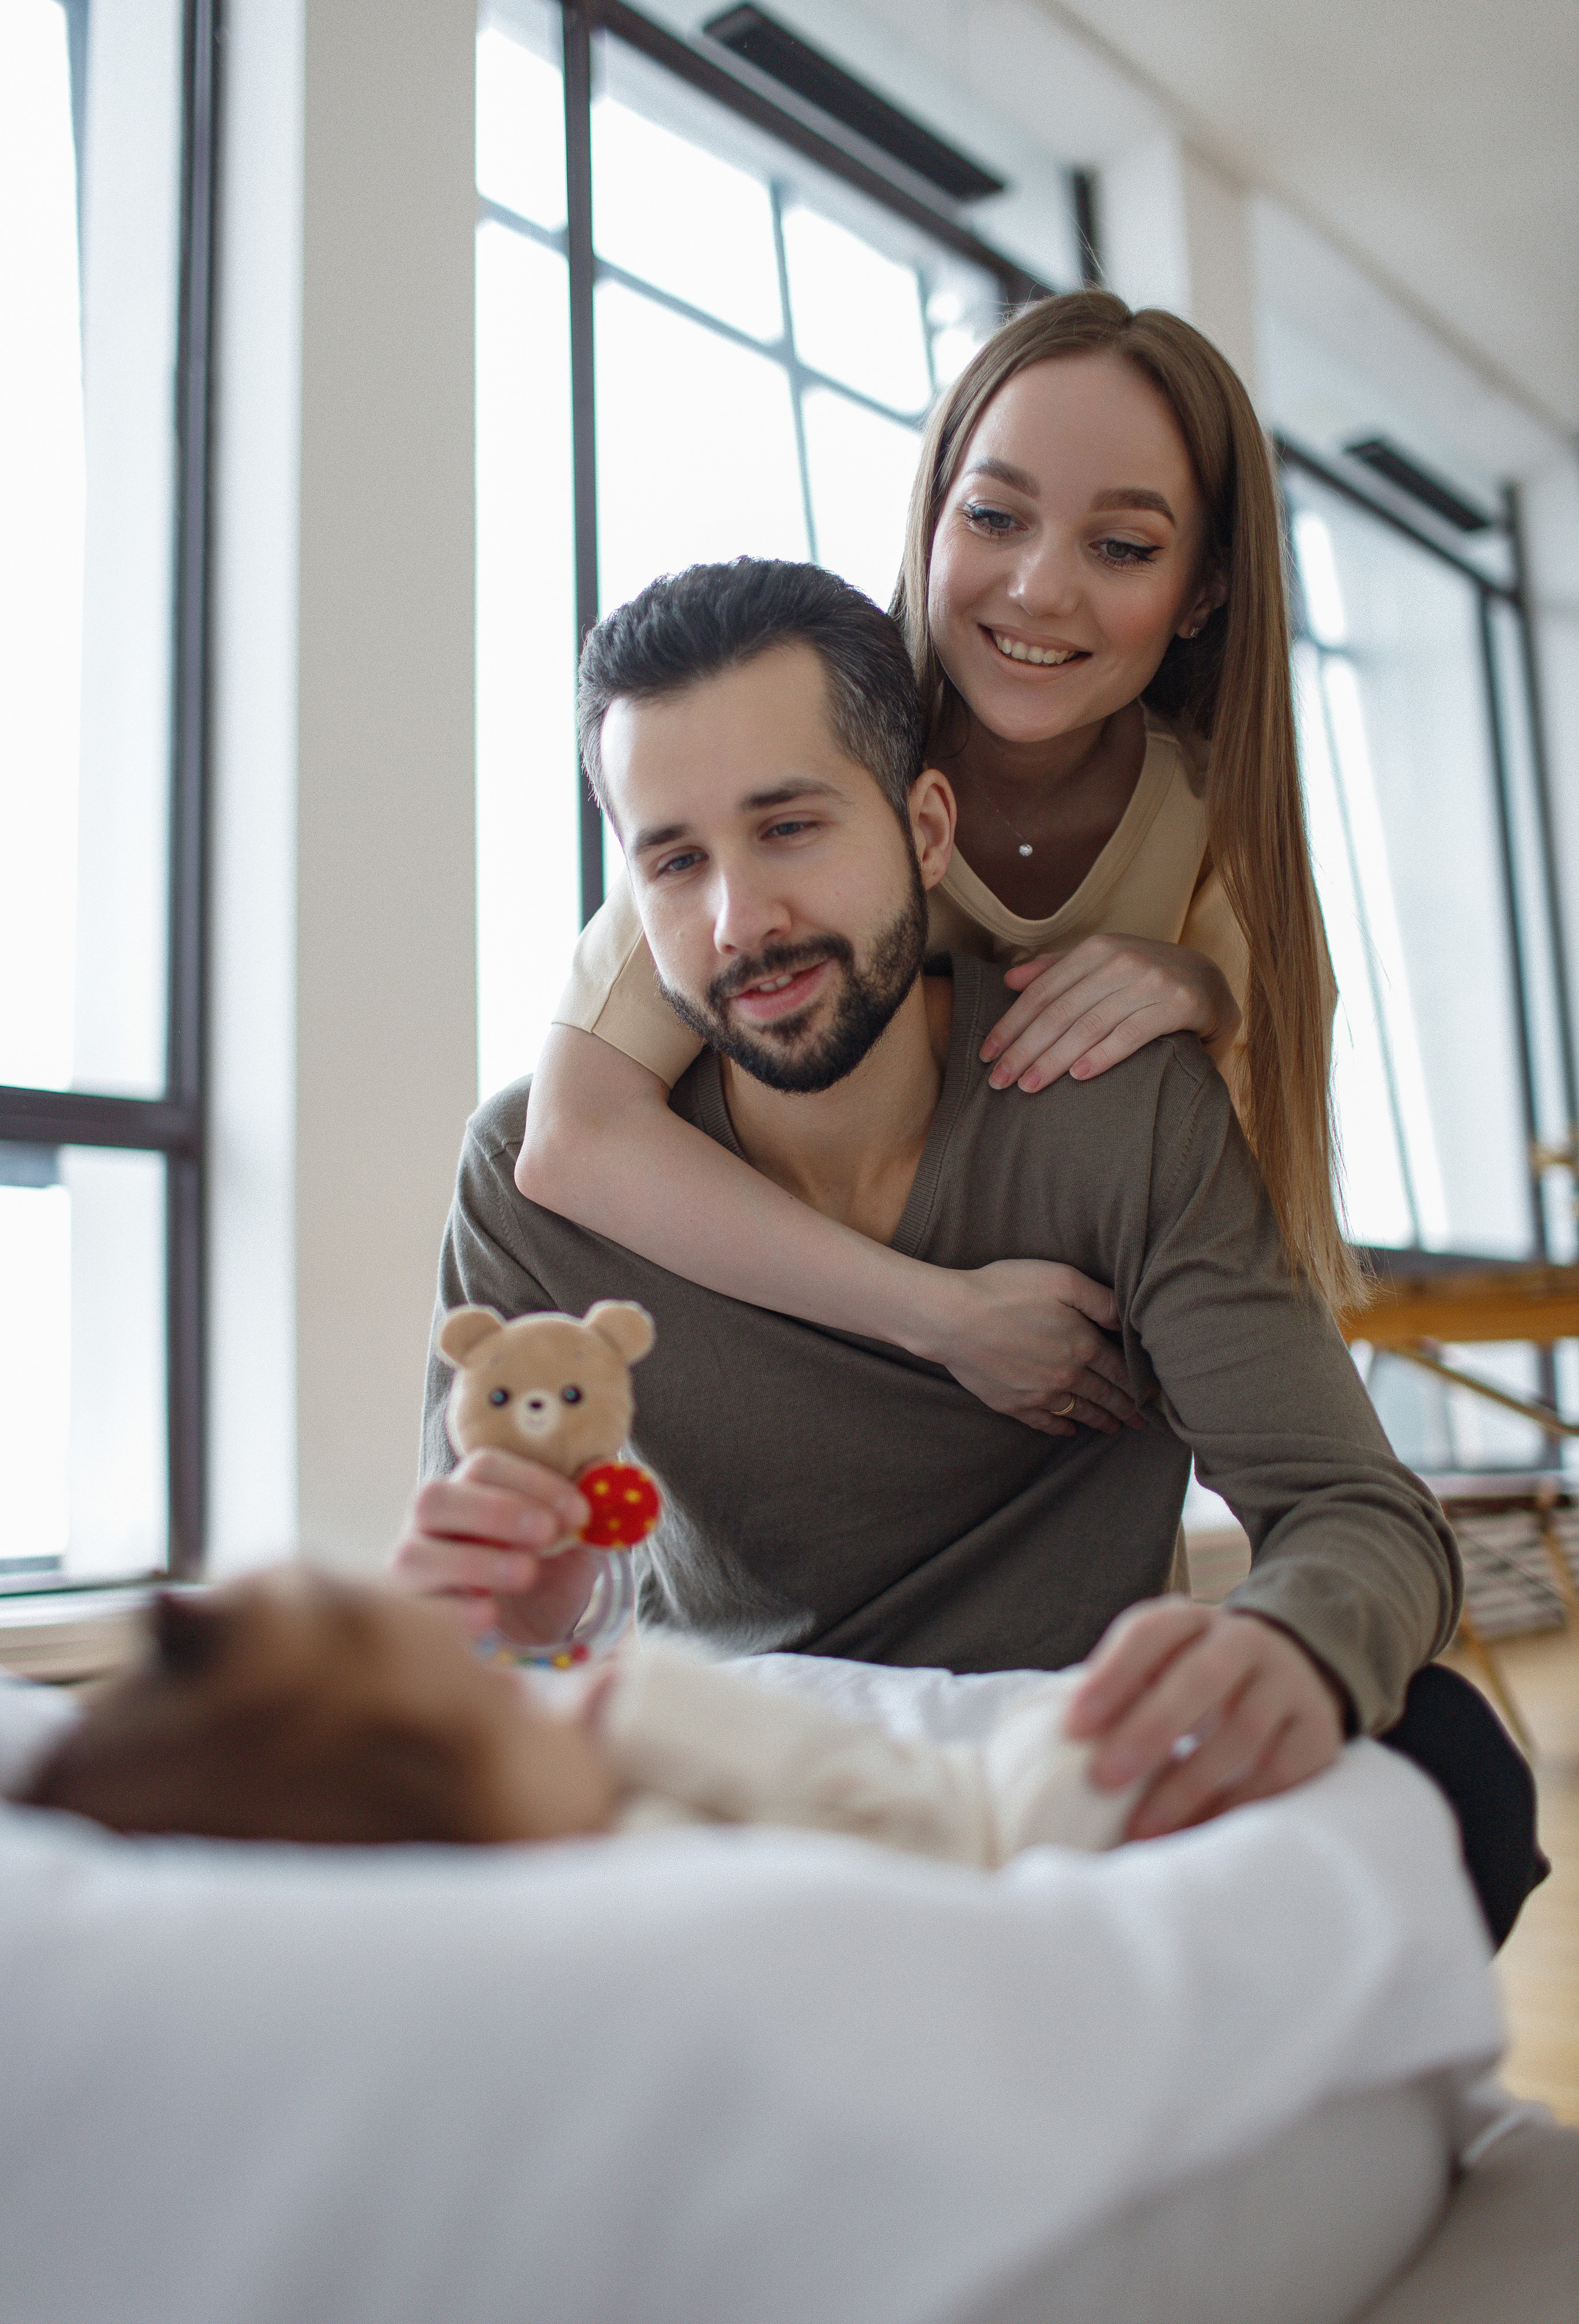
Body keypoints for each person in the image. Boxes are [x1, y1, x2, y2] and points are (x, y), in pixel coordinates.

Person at [398, 556, 1465, 1859]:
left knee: (1444, 1764)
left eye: (789, 826)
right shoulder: (528, 1171)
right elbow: (501, 1629)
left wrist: (1278, 1649)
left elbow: (1355, 1510)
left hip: (1054, 1777)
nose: (741, 920)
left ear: (926, 829)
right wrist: (531, 1611)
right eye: (674, 863)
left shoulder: (1118, 1113)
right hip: (717, 1789)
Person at [514, 290, 1352, 1447]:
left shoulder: (1219, 827)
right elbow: (569, 1136)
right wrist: (942, 1316)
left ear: (1205, 589)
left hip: (1062, 1457)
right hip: (789, 1403)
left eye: (1121, 547)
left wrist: (1210, 995)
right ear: (931, 518)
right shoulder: (793, 756)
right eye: (996, 517)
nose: (1040, 588)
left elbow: (1224, 1245)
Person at [19, 1566, 1133, 1866]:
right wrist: (665, 1705)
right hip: (1043, 1811)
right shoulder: (642, 1874)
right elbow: (930, 1835)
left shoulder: (600, 1805)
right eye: (513, 1714)